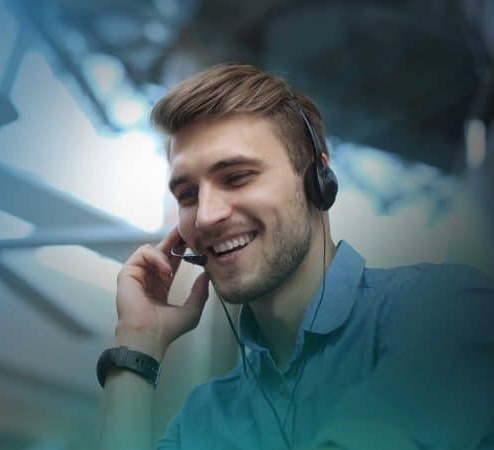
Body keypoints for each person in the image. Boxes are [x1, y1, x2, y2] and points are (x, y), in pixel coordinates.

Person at [97, 63, 494, 450]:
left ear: (318, 181)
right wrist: (137, 343)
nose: (205, 215)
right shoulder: (204, 417)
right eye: (187, 195)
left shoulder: (443, 310)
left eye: (236, 177)